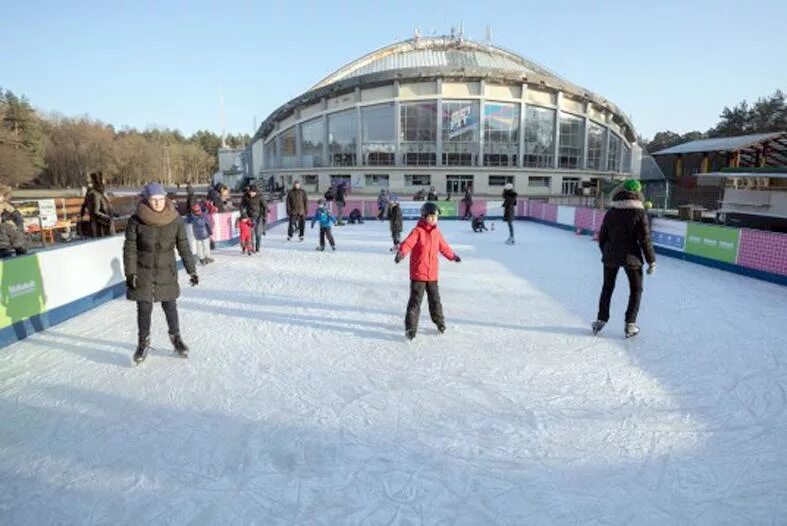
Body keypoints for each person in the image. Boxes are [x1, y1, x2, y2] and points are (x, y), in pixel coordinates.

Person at [123, 182, 198, 365]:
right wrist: (131, 272)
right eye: (153, 200)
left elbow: (183, 245)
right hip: (143, 270)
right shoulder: (136, 221)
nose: (157, 203)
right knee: (144, 308)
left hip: (167, 270)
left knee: (170, 306)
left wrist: (191, 270)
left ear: (165, 199)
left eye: (160, 199)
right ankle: (143, 343)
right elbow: (130, 249)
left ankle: (176, 339)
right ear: (147, 200)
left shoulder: (175, 219)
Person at [592, 179, 656, 338]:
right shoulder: (640, 213)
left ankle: (600, 320)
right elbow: (645, 239)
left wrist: (606, 251)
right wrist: (651, 261)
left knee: (607, 287)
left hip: (611, 254)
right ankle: (630, 324)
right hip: (632, 257)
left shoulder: (612, 211)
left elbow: (602, 237)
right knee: (636, 289)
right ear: (638, 194)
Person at [395, 202, 461, 340]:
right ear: (424, 216)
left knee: (435, 300)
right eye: (431, 217)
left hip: (432, 275)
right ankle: (410, 328)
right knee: (415, 302)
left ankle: (439, 322)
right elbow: (408, 243)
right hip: (418, 274)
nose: (434, 219)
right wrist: (401, 253)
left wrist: (453, 256)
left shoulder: (437, 233)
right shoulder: (417, 231)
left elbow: (444, 247)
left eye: (436, 217)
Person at [84, 171, 115, 237]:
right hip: (101, 227)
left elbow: (105, 207)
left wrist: (113, 214)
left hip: (105, 222)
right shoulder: (95, 194)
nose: (105, 181)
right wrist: (108, 218)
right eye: (103, 180)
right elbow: (96, 212)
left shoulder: (100, 192)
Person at [0, 185, 27, 258]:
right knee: (3, 228)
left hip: (9, 227)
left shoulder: (6, 205)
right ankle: (3, 247)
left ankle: (18, 246)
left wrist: (18, 223)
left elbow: (16, 215)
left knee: (12, 229)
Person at [241, 184, 268, 252]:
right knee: (250, 234)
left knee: (258, 233)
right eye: (250, 192)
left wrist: (265, 215)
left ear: (256, 192)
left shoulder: (260, 196)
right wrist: (244, 215)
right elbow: (241, 206)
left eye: (253, 192)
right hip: (249, 217)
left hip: (259, 217)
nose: (251, 193)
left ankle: (257, 247)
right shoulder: (245, 196)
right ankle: (251, 248)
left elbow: (265, 207)